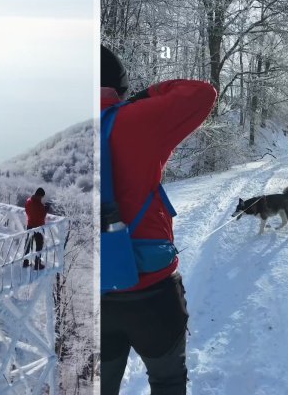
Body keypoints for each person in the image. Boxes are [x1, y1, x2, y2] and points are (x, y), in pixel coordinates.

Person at [101, 46, 217, 395]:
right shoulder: (136, 119)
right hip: (150, 292)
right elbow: (202, 93)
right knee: (167, 381)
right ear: (119, 87)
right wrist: (144, 96)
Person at [24, 187, 47, 270]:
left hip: (29, 225)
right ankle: (37, 264)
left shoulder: (28, 201)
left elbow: (27, 211)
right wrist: (45, 210)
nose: (41, 198)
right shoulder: (39, 206)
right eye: (41, 197)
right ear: (39, 195)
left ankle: (25, 262)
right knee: (39, 246)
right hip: (38, 227)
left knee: (27, 245)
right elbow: (41, 217)